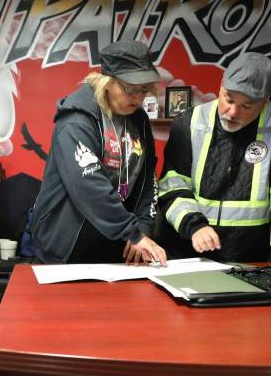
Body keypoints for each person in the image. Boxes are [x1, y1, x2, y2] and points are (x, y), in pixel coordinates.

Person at [156, 52, 271, 264]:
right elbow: (172, 185)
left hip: (250, 256)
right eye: (228, 99)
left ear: (265, 102)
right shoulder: (190, 121)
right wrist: (195, 225)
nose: (233, 112)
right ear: (221, 86)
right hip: (186, 251)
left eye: (247, 106)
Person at [30, 40, 168, 265]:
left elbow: (147, 178)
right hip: (66, 249)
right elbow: (88, 185)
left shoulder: (139, 120)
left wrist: (143, 226)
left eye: (144, 89)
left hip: (114, 247)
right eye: (130, 88)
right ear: (107, 82)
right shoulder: (76, 121)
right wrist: (132, 232)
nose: (138, 98)